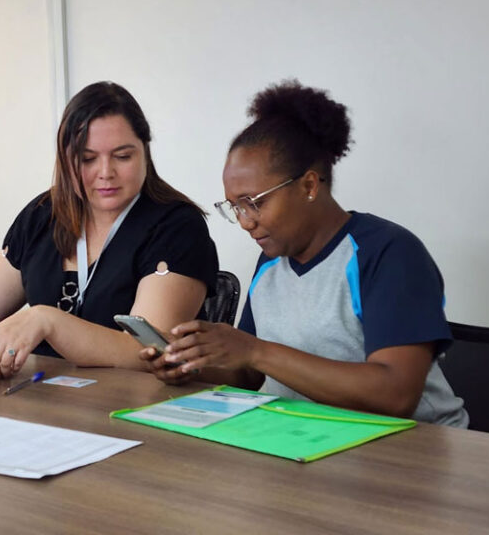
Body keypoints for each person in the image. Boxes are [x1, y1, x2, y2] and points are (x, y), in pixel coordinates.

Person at [141, 79, 468, 427]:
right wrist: (195, 366)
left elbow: (396, 396)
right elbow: (251, 376)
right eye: (235, 207)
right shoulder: (271, 262)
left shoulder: (388, 253)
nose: (245, 222)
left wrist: (255, 350)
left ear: (309, 185)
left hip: (415, 456)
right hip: (314, 441)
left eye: (254, 203)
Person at [0, 81, 218, 379]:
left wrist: (48, 320)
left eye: (123, 156)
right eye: (87, 159)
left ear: (145, 151)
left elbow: (148, 352)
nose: (106, 173)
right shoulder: (44, 213)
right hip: (39, 396)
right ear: (65, 160)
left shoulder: (177, 227)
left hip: (126, 408)